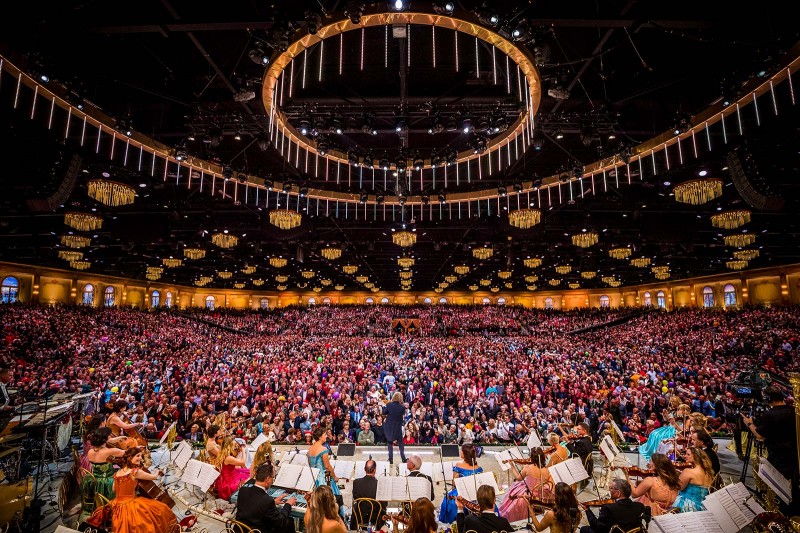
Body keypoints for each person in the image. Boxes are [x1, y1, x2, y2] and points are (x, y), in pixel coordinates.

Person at [87, 447, 178, 533]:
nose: (140, 458)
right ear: (130, 458)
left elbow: (114, 489)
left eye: (141, 456)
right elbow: (153, 477)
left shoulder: (118, 472)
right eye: (137, 456)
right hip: (129, 504)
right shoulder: (135, 472)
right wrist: (158, 472)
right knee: (161, 509)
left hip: (114, 504)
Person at [741, 384, 799, 515]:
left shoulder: (770, 415)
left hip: (778, 457)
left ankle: (780, 512)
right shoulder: (794, 411)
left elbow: (760, 435)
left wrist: (749, 423)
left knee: (778, 488)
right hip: (794, 455)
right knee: (793, 486)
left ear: (768, 399)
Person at [79, 428, 127, 520]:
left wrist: (119, 438)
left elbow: (109, 441)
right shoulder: (110, 451)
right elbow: (128, 453)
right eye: (109, 436)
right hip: (107, 482)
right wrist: (137, 448)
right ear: (105, 439)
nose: (111, 437)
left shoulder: (90, 451)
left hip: (92, 479)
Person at [235, 462, 296, 533]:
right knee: (288, 521)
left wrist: (274, 502)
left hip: (240, 530)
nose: (273, 481)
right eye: (273, 477)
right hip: (256, 531)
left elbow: (254, 504)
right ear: (267, 479)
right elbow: (280, 521)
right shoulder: (267, 500)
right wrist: (288, 504)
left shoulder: (243, 490)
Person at [498, 448, 554, 523]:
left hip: (528, 493)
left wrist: (512, 466)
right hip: (541, 494)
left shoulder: (527, 467)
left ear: (531, 457)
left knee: (513, 490)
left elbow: (518, 478)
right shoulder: (547, 470)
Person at [580, 478, 647, 533]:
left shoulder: (608, 508)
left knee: (584, 529)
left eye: (611, 488)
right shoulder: (640, 506)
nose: (609, 490)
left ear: (618, 493)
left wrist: (587, 510)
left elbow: (597, 527)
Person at [439, 443, 483, 523]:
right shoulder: (479, 468)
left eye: (461, 450)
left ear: (465, 453)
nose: (460, 452)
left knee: (448, 502)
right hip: (474, 494)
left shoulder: (458, 465)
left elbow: (454, 484)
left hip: (461, 493)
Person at [308, 426, 344, 519]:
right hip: (323, 479)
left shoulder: (310, 448)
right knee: (330, 502)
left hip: (313, 478)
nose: (326, 436)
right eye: (324, 435)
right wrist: (335, 477)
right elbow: (327, 466)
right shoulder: (323, 449)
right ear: (320, 437)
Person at [672, 447, 714, 512]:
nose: (685, 456)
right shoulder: (709, 474)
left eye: (688, 454)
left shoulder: (688, 471)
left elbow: (678, 487)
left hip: (687, 506)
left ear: (696, 457)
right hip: (702, 507)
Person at [350, 459, 386, 529]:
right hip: (374, 518)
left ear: (364, 469)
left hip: (359, 516)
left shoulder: (356, 482)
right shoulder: (379, 484)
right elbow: (384, 504)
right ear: (375, 470)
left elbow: (355, 498)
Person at [213, 436, 250, 501]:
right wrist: (243, 450)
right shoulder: (228, 458)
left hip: (230, 473)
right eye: (234, 445)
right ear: (230, 446)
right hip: (229, 479)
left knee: (248, 472)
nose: (235, 446)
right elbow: (242, 462)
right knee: (248, 476)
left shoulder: (222, 453)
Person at [383, 392, 407, 464]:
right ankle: (403, 458)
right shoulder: (402, 407)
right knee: (400, 443)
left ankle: (391, 459)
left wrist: (383, 406)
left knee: (389, 442)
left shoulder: (389, 405)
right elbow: (402, 415)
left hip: (389, 426)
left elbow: (384, 412)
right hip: (397, 427)